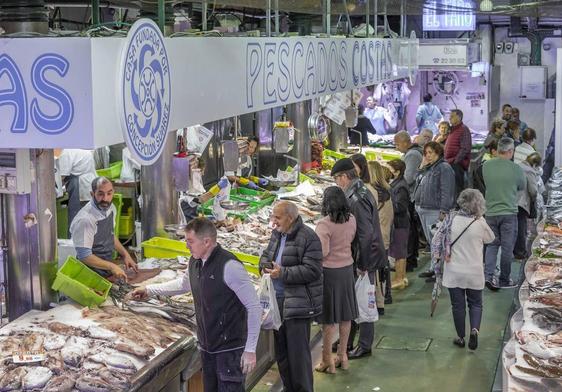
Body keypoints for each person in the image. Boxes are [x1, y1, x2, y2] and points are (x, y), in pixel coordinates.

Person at [130, 217, 261, 392]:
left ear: (206, 242)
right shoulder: (195, 261)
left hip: (230, 350)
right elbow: (183, 285)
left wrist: (250, 350)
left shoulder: (229, 266)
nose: (186, 246)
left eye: (190, 241)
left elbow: (254, 307)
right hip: (208, 347)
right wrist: (149, 289)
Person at [259, 201, 323, 392]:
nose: (273, 222)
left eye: (277, 218)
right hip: (276, 302)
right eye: (272, 217)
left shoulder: (309, 237)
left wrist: (283, 273)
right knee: (283, 354)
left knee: (298, 356)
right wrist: (264, 266)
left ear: (290, 217)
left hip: (298, 304)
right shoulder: (277, 234)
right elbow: (265, 255)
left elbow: (313, 270)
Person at [330, 158, 387, 360]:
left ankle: (365, 345)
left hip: (365, 258)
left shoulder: (358, 197)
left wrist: (363, 263)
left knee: (364, 302)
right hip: (360, 256)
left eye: (337, 179)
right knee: (353, 300)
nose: (337, 183)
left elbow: (365, 233)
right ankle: (347, 340)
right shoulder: (357, 192)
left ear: (345, 177)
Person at [431, 189, 495, 350]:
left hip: (454, 271)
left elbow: (436, 238)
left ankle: (460, 337)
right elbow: (491, 238)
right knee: (476, 304)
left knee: (457, 306)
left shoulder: (451, 220)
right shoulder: (480, 223)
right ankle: (474, 330)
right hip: (474, 271)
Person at [314, 187, 358, 374]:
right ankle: (343, 356)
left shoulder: (324, 224)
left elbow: (322, 252)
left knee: (329, 319)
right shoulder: (352, 219)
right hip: (347, 270)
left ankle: (326, 361)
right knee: (346, 315)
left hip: (329, 274)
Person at [70, 177, 137, 281]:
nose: (105, 199)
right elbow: (84, 256)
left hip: (105, 270)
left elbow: (110, 235)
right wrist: (112, 266)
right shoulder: (85, 219)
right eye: (101, 194)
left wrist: (125, 255)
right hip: (88, 274)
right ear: (92, 194)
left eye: (109, 193)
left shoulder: (111, 208)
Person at [482, 138, 526, 290]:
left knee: (492, 245)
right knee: (507, 248)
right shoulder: (516, 168)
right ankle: (504, 279)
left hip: (490, 212)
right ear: (510, 151)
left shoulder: (486, 166)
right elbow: (522, 186)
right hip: (509, 212)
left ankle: (488, 276)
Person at [414, 142, 456, 282]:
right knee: (431, 242)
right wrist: (422, 166)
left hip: (434, 210)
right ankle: (433, 268)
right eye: (426, 153)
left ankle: (438, 270)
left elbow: (447, 190)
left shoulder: (444, 168)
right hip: (423, 208)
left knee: (437, 242)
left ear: (438, 152)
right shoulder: (429, 168)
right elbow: (417, 180)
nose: (428, 155)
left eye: (431, 152)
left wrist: (444, 210)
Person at [394, 131, 423, 272]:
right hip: (411, 196)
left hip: (410, 197)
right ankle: (412, 258)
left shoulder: (412, 155)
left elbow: (409, 177)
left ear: (406, 142)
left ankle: (410, 260)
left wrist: (394, 180)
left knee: (409, 231)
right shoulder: (413, 153)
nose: (396, 147)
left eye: (397, 144)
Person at [368, 160, 394, 305]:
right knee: (383, 268)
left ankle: (379, 300)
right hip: (385, 235)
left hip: (378, 237)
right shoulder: (386, 191)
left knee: (378, 272)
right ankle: (386, 296)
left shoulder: (375, 194)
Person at [55, 149, 98, 229]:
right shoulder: (75, 149)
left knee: (76, 215)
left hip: (80, 186)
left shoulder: (65, 154)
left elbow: (61, 177)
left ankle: (75, 238)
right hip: (90, 183)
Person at [387, 159, 410, 290]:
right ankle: (401, 277)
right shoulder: (396, 184)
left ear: (397, 171)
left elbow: (401, 206)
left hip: (400, 223)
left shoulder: (400, 186)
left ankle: (399, 279)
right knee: (398, 251)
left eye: (389, 168)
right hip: (398, 223)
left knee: (399, 252)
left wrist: (387, 206)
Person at [514, 153, 541, 259]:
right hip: (522, 202)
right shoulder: (530, 171)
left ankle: (515, 250)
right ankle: (520, 252)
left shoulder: (517, 165)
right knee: (521, 227)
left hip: (512, 200)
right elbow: (533, 191)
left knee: (515, 227)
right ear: (535, 164)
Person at [444, 109, 472, 198]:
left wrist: (455, 161)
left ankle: (459, 209)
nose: (449, 118)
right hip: (450, 163)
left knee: (458, 190)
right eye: (450, 116)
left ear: (459, 117)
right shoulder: (452, 130)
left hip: (457, 165)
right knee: (451, 189)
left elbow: (465, 148)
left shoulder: (464, 129)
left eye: (452, 116)